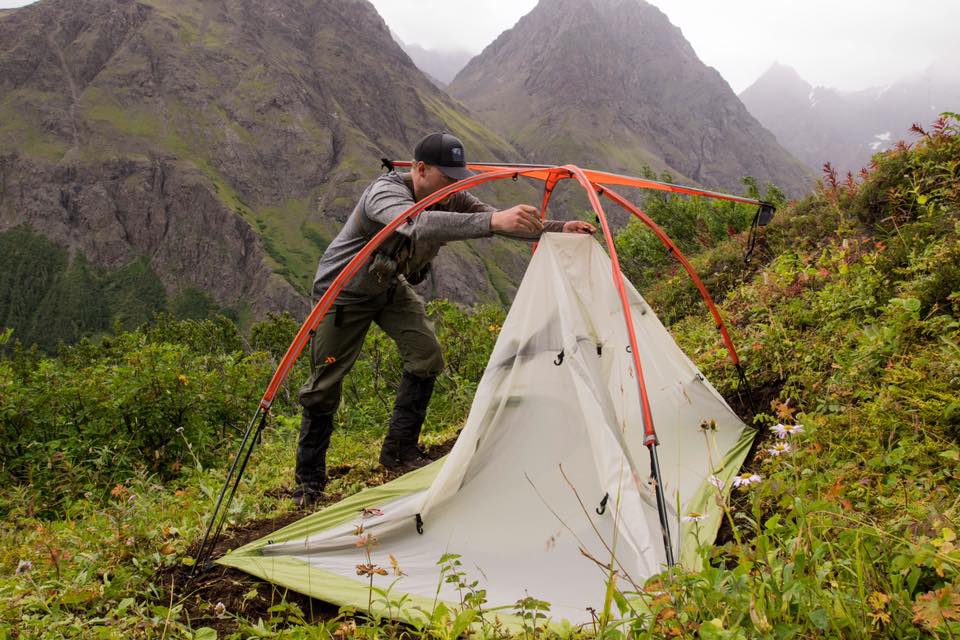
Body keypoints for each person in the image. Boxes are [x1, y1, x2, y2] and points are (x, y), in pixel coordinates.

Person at [294, 132, 595, 507]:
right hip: (344, 293)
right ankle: (309, 483)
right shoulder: (384, 194)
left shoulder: (450, 194)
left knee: (426, 356)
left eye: (458, 176)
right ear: (420, 169)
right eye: (446, 176)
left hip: (387, 286)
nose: (454, 185)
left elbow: (495, 221)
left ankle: (399, 453)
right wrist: (495, 221)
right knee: (325, 382)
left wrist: (559, 228)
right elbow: (415, 224)